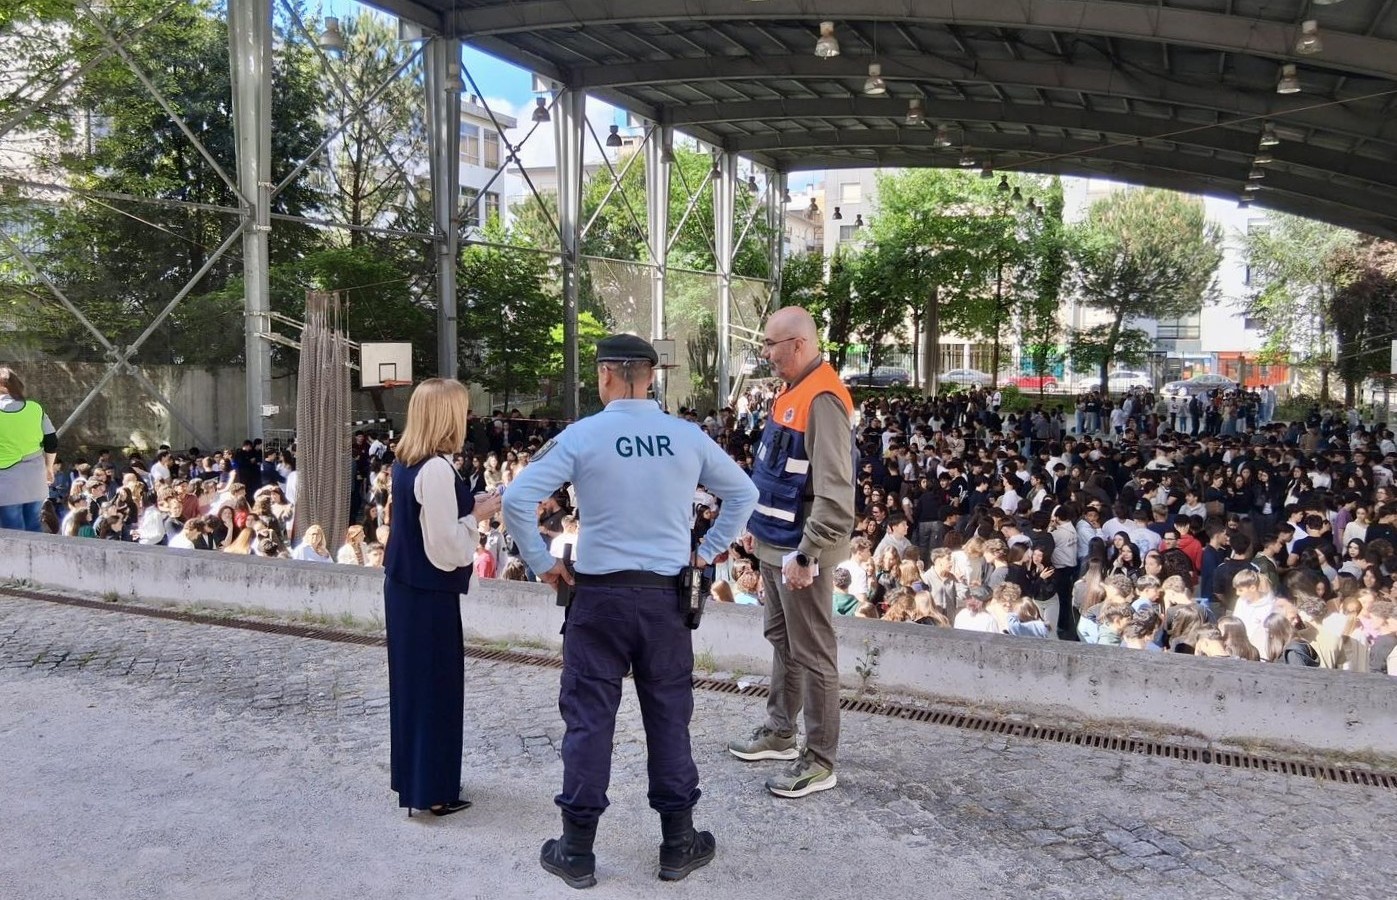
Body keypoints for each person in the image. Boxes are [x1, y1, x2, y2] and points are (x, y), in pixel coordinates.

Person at [502, 333, 757, 889]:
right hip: (666, 599)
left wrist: (543, 563)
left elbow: (517, 499)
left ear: (606, 375)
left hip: (597, 600)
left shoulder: (582, 435)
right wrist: (707, 551)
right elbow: (743, 494)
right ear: (651, 376)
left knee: (589, 719)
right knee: (669, 717)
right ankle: (677, 844)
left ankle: (576, 850)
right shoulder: (686, 436)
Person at [727, 306, 856, 801]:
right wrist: (756, 528)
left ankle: (820, 759)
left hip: (800, 551)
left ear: (798, 344)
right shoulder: (793, 391)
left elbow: (834, 492)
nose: (765, 353)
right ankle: (781, 732)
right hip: (774, 542)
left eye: (770, 344)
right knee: (784, 640)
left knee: (814, 652)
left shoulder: (822, 398)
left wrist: (808, 553)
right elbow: (776, 471)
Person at [382, 378, 502, 818]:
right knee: (434, 687)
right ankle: (432, 790)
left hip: (408, 588)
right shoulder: (434, 468)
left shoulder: (406, 460)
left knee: (415, 687)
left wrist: (467, 507)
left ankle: (418, 780)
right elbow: (447, 546)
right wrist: (477, 515)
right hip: (427, 593)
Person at [0, 368, 58, 532]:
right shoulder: (35, 408)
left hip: (6, 483)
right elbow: (51, 441)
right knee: (34, 527)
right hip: (34, 479)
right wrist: (49, 468)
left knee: (12, 532)